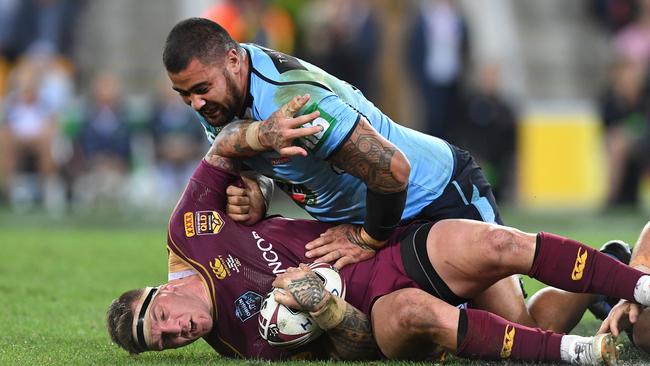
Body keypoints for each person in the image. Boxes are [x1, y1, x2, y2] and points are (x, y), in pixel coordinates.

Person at [109, 118, 650, 364]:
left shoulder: (191, 231)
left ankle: (635, 282)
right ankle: (587, 340)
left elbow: (226, 150)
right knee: (480, 321)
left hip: (386, 241)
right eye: (169, 343)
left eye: (162, 321)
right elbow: (355, 347)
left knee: (501, 249)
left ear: (158, 293)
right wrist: (323, 308)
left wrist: (260, 169)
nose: (179, 331)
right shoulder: (240, 344)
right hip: (380, 303)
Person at [161, 18, 539, 331]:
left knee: (512, 329)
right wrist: (257, 191)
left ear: (232, 60)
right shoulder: (218, 96)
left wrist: (367, 238)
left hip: (437, 196)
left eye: (200, 90)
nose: (195, 103)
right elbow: (256, 160)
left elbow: (391, 169)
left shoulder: (293, 101)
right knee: (450, 332)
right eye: (184, 95)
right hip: (376, 218)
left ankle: (590, 283)